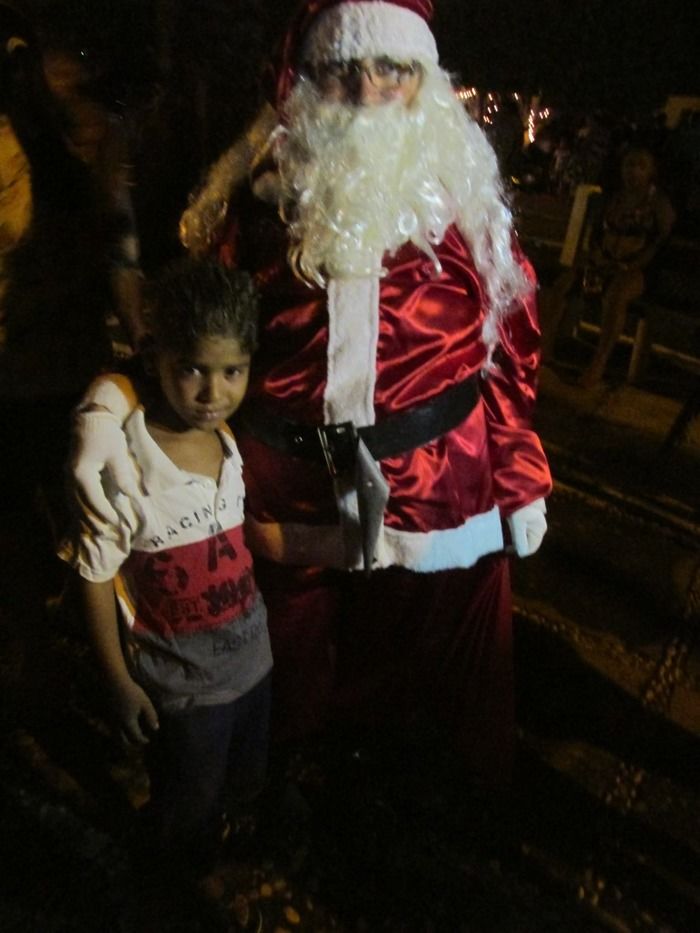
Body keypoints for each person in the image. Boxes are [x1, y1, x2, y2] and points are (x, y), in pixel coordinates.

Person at [71, 0, 552, 783]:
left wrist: (520, 475)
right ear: (308, 80)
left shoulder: (464, 213)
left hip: (435, 483)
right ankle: (288, 775)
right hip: (283, 483)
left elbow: (513, 353)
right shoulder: (256, 209)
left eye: (391, 69)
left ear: (423, 82)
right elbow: (189, 336)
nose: (366, 92)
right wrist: (113, 404)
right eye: (343, 70)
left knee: (435, 666)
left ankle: (436, 790)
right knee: (287, 663)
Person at [60, 258, 272, 875]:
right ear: (156, 360)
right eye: (193, 370)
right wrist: (119, 682)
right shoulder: (123, 468)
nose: (214, 394)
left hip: (254, 666)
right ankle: (173, 882)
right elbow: (94, 575)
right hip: (182, 691)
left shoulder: (230, 443)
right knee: (188, 802)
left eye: (233, 370)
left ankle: (222, 848)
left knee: (241, 781)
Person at [542, 146, 675, 386]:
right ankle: (545, 349)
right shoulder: (612, 199)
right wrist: (595, 257)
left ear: (651, 171)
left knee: (616, 294)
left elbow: (661, 244)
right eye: (629, 165)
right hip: (603, 261)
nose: (633, 171)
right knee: (563, 284)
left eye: (640, 166)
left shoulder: (659, 204)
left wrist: (632, 264)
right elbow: (597, 235)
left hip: (637, 268)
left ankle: (598, 364)